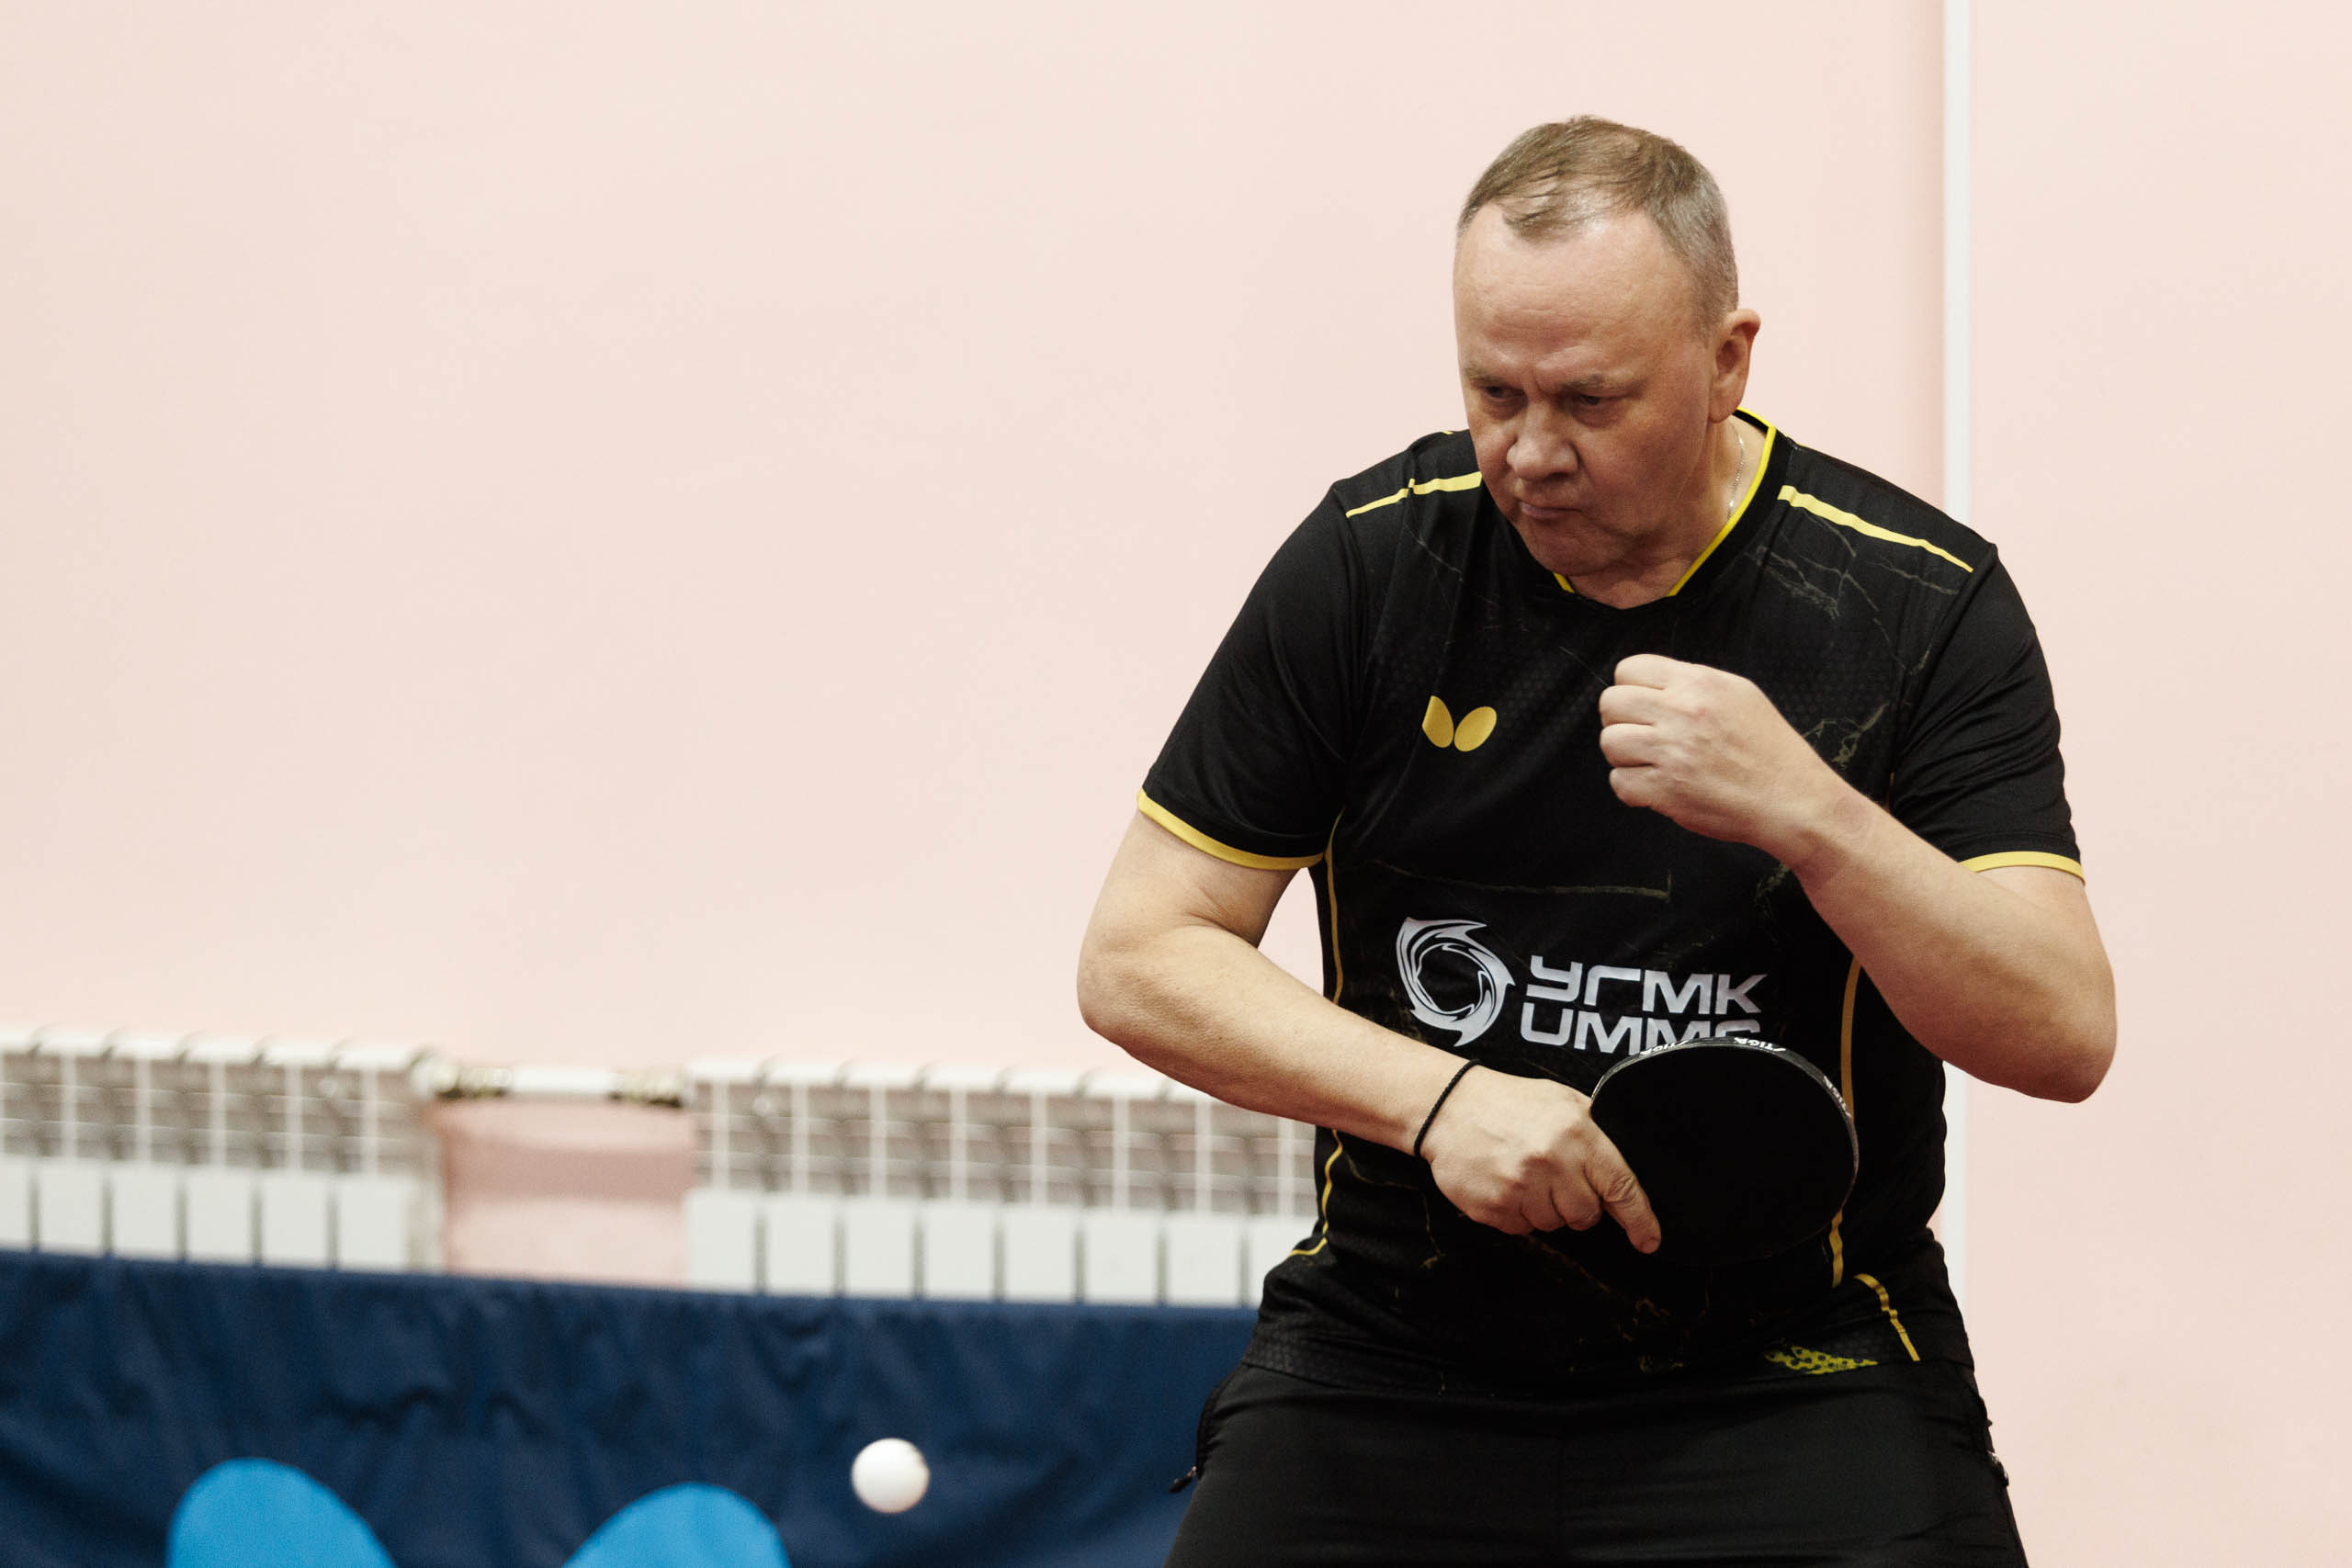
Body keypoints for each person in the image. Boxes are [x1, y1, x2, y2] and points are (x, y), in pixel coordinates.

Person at [1075, 117, 2115, 1565]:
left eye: (1590, 400)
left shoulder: (1917, 602)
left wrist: (1814, 816)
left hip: (1795, 1361)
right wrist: (1442, 1101)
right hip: (1396, 1344)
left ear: (1727, 361)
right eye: (1492, 391)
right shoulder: (1374, 563)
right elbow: (1138, 955)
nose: (1531, 452)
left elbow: (2061, 1034)